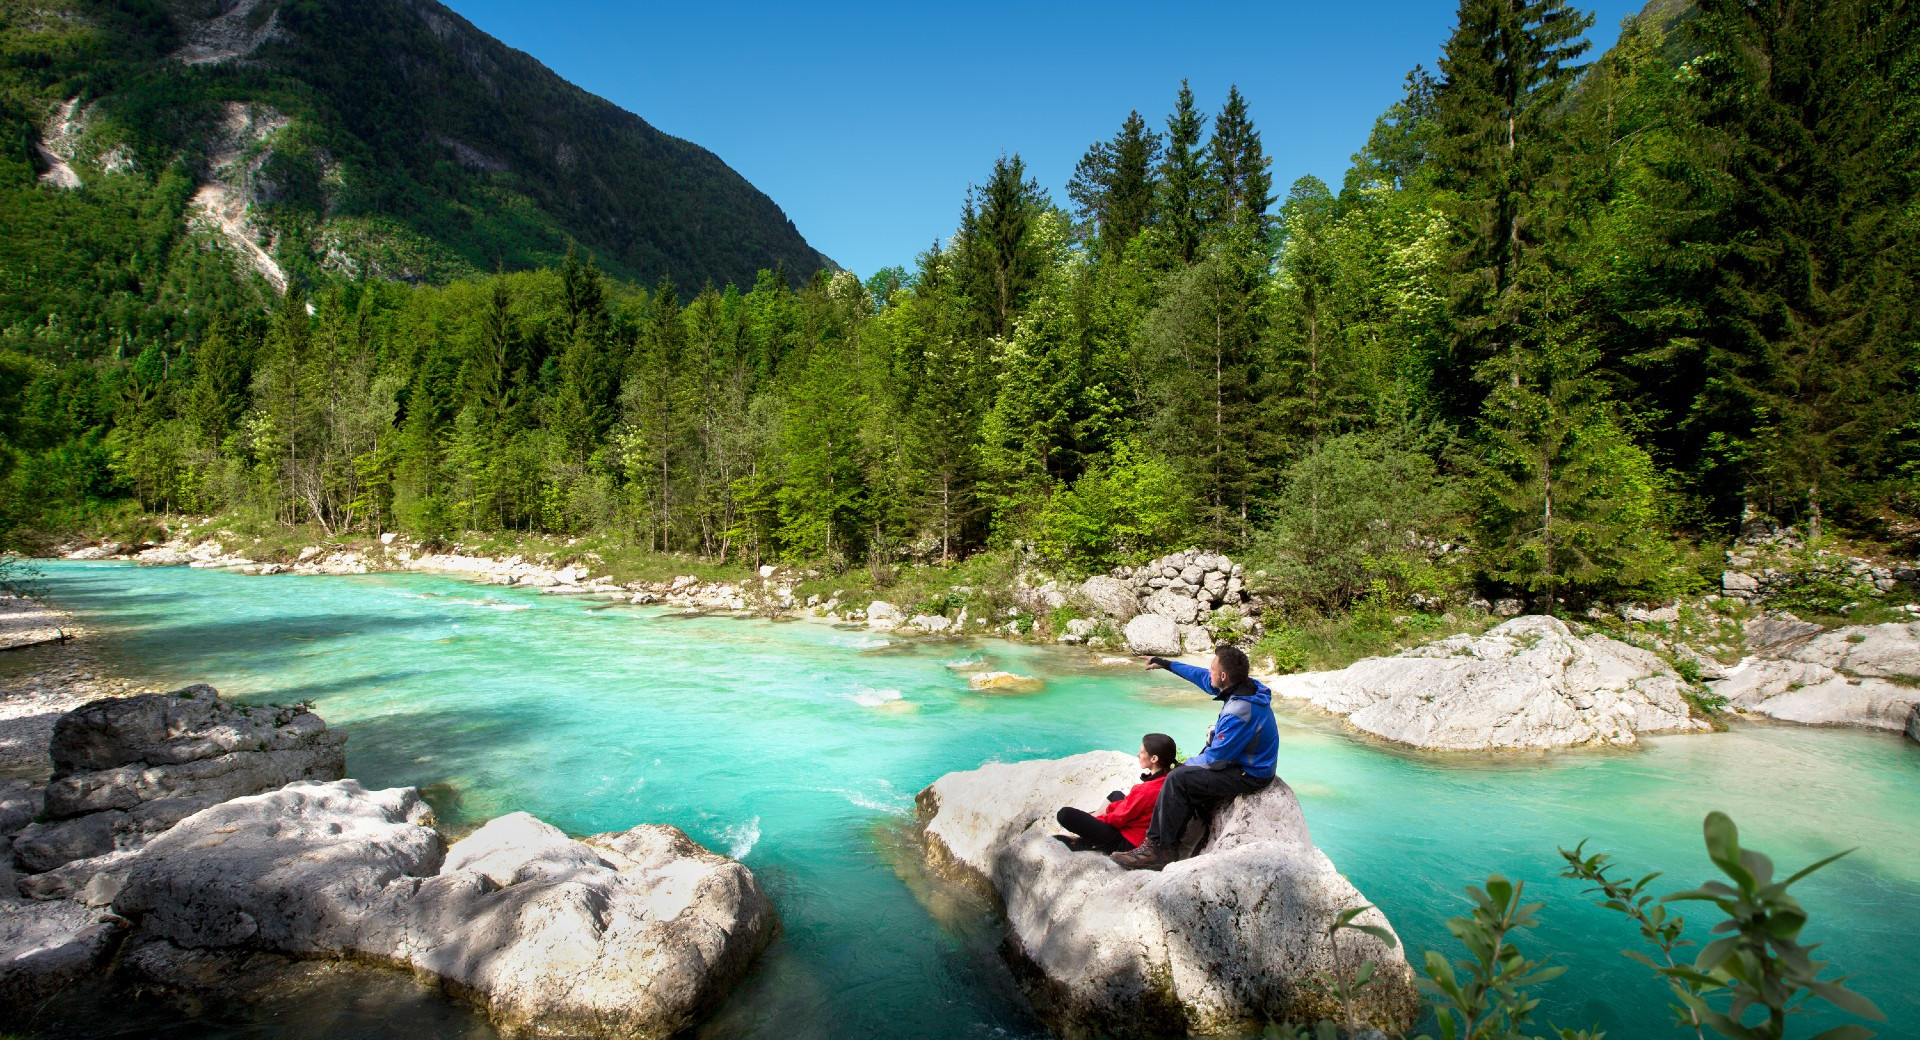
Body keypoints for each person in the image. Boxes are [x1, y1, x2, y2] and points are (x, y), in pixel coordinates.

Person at [1111, 643, 1277, 870]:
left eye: (1212, 669)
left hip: (1250, 773)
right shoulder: (1246, 686)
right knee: (1187, 773)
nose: (1208, 673)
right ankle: (1172, 835)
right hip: (1245, 762)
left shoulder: (1239, 711)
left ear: (1223, 675)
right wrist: (1167, 664)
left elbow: (1216, 759)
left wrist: (1180, 767)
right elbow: (1201, 677)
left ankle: (1159, 850)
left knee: (1178, 778)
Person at [1053, 734, 1178, 853]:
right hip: (1146, 828)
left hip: (1128, 843)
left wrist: (1095, 819)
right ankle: (1092, 834)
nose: (1138, 755)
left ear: (1154, 758)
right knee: (1115, 795)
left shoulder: (1145, 790)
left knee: (1064, 814)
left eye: (1141, 752)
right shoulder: (1170, 778)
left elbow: (1118, 819)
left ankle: (1089, 840)